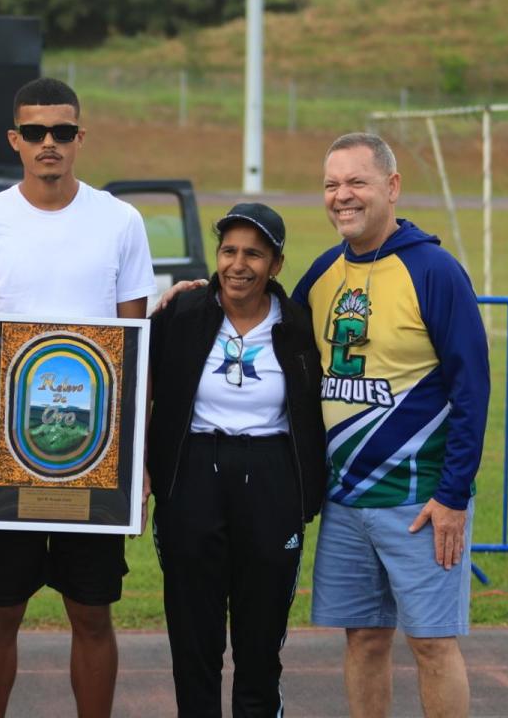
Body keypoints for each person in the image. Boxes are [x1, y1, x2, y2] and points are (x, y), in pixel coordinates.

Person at [0, 77, 157, 718]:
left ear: (79, 138)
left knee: (92, 612)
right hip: (4, 456)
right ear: (15, 140)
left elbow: (135, 346)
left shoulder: (120, 220)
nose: (49, 144)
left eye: (62, 132)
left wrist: (134, 456)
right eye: (34, 132)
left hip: (94, 456)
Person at [291, 132, 489, 718]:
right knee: (364, 638)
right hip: (347, 501)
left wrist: (453, 495)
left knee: (431, 643)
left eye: (357, 182)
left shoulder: (435, 271)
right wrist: (194, 297)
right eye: (331, 184)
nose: (342, 196)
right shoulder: (324, 272)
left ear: (392, 187)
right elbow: (263, 324)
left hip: (421, 504)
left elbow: (471, 389)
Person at [148, 202, 327, 717]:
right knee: (194, 640)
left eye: (254, 253)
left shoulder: (299, 326)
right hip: (193, 477)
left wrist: (305, 490)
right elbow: (137, 378)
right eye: (229, 251)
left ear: (276, 264)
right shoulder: (182, 314)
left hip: (271, 477)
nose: (238, 264)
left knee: (259, 642)